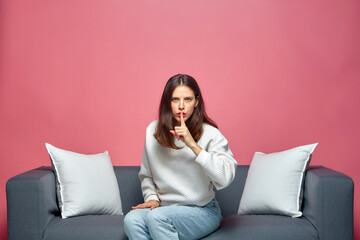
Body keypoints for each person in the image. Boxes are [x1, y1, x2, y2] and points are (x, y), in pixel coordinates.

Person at [124, 74, 237, 240]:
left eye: (188, 99)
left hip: (203, 210)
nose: (181, 106)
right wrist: (152, 198)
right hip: (162, 209)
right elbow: (147, 175)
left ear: (197, 102)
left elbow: (226, 177)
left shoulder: (210, 134)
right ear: (167, 102)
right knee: (131, 220)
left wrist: (193, 144)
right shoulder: (152, 131)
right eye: (175, 99)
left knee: (157, 218)